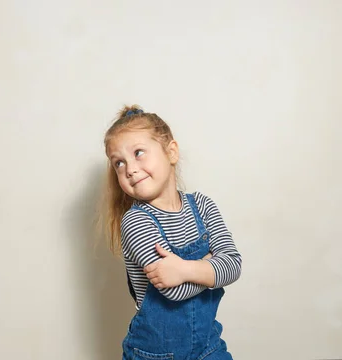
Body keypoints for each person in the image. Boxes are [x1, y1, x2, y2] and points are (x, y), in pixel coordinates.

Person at [101, 105, 242, 360]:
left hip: (208, 347)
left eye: (139, 153)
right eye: (119, 163)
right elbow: (174, 291)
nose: (130, 169)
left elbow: (233, 266)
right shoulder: (135, 221)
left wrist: (185, 270)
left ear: (171, 152)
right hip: (153, 355)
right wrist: (211, 263)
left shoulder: (202, 205)